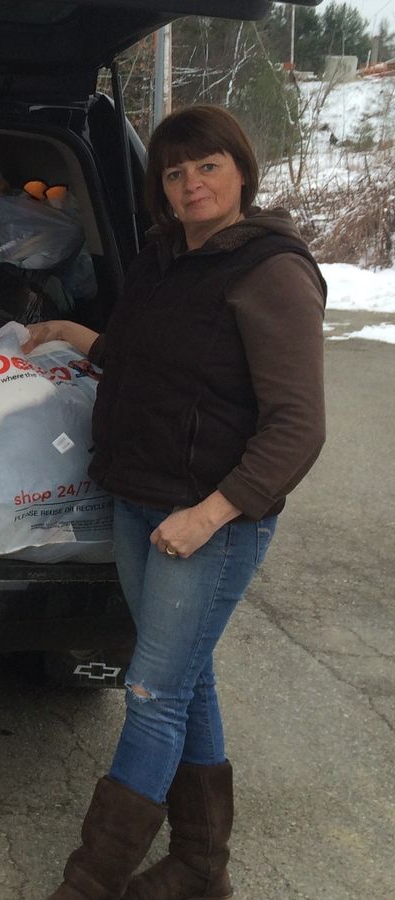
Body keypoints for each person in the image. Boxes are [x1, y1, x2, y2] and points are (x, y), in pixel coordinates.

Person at [22, 105, 326, 900]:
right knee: (188, 679)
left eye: (208, 167)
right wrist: (69, 332)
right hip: (137, 498)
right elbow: (137, 359)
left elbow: (298, 427)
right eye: (175, 172)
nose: (192, 185)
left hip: (206, 519)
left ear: (242, 171)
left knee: (153, 694)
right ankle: (199, 866)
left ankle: (89, 883)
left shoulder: (272, 271)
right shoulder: (164, 258)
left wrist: (210, 514)